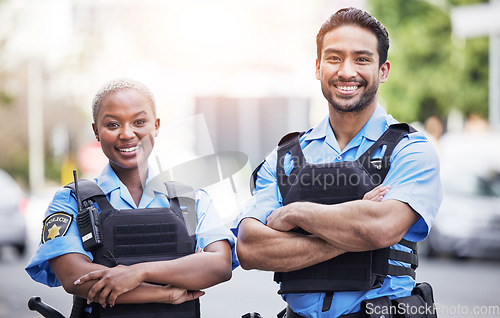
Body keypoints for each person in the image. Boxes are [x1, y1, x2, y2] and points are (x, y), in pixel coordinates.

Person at [233, 7, 441, 318]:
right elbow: (249, 248)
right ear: (318, 68)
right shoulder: (285, 157)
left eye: (361, 59)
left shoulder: (411, 151)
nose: (346, 71)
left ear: (383, 70)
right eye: (334, 58)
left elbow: (381, 228)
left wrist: (296, 212)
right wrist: (355, 229)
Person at [26, 78, 237, 317]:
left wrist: (139, 272)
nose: (127, 134)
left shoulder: (190, 199)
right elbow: (75, 277)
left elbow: (219, 265)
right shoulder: (71, 201)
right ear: (96, 131)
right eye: (113, 124)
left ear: (156, 125)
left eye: (139, 122)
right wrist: (165, 294)